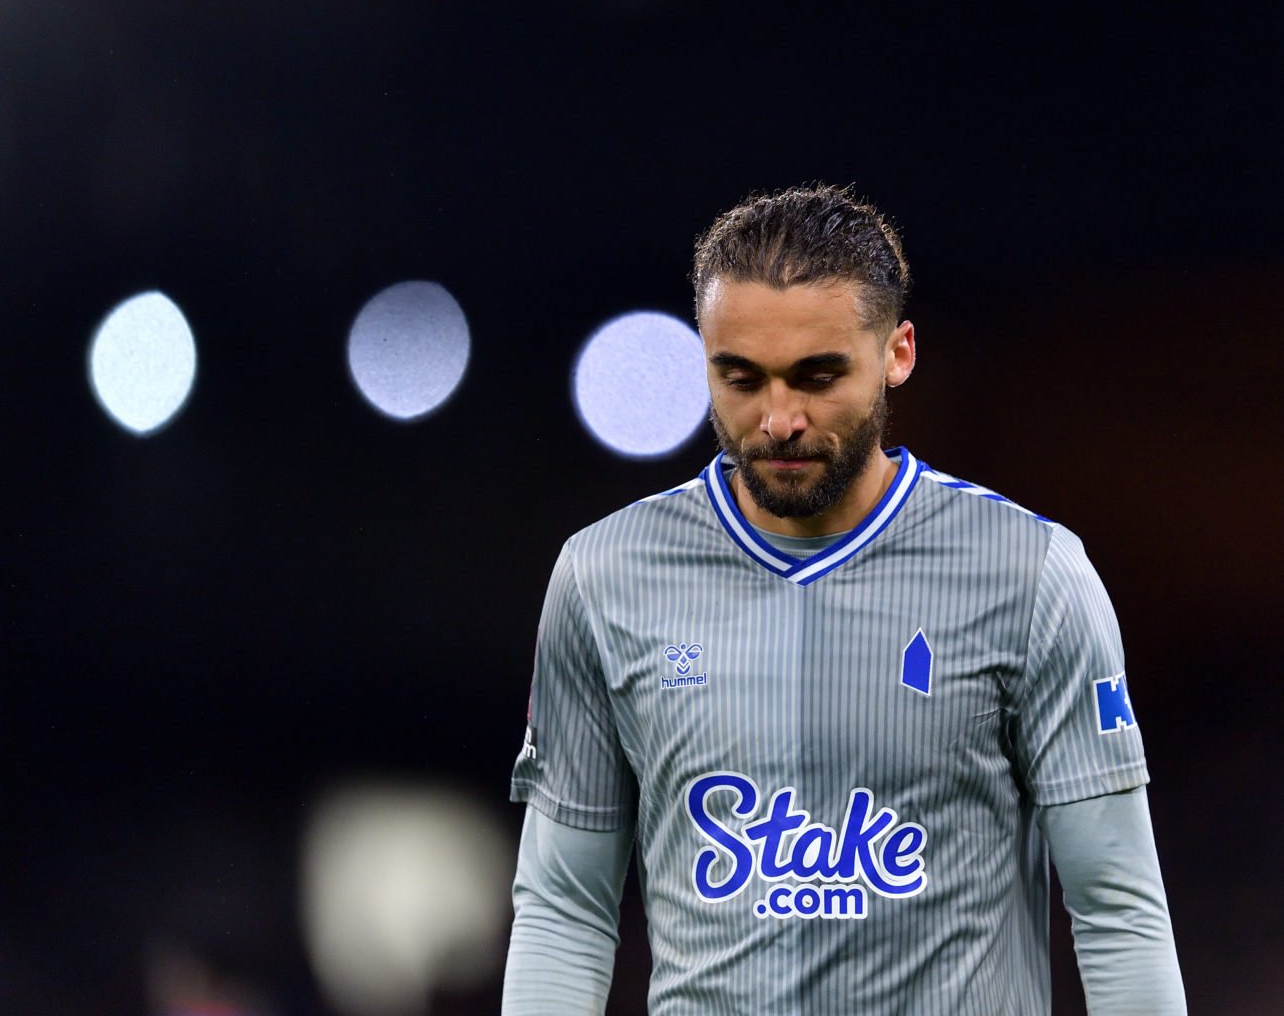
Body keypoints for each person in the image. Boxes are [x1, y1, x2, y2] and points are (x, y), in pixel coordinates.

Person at [502, 184, 1186, 1014]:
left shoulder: (1028, 573)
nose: (779, 417)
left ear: (896, 353)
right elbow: (565, 909)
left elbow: (1116, 907)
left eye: (818, 376)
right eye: (742, 378)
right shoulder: (604, 577)